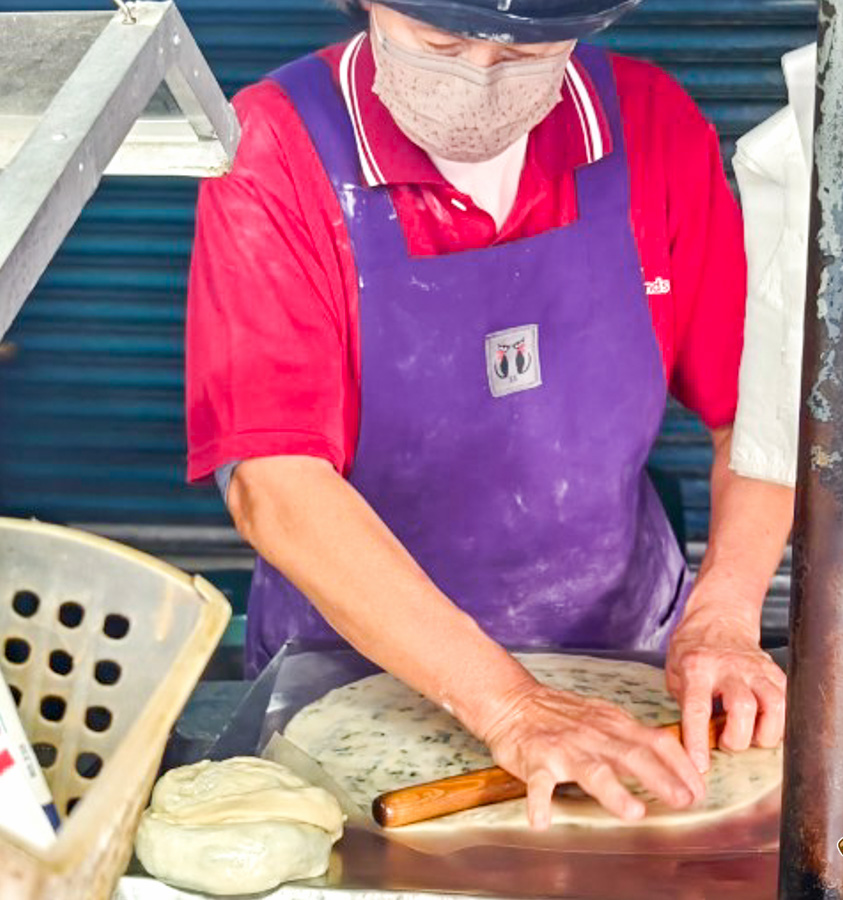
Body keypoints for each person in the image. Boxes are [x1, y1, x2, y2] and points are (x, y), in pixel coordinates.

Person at [185, 0, 795, 828]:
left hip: (623, 655)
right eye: (441, 43)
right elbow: (274, 480)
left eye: (521, 53)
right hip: (356, 670)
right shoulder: (275, 145)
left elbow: (760, 419)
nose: (478, 73)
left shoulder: (652, 125)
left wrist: (724, 614)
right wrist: (509, 705)